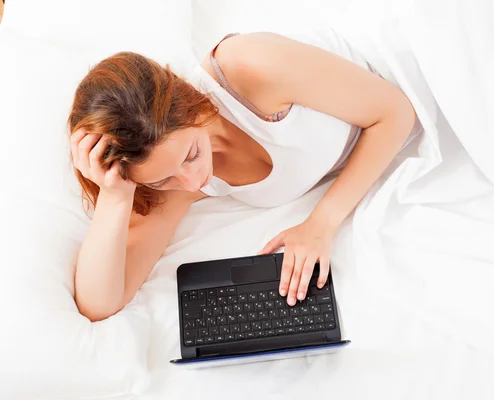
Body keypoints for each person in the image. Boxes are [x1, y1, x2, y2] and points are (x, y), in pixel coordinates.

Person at [68, 31, 419, 322]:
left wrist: (321, 223)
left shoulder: (249, 66)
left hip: (406, 73)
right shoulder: (167, 177)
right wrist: (115, 197)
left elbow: (396, 112)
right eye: (162, 181)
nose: (192, 183)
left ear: (188, 105)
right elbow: (100, 304)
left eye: (191, 155)